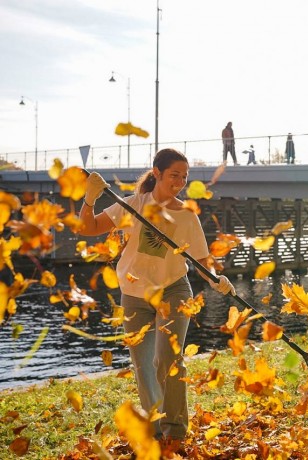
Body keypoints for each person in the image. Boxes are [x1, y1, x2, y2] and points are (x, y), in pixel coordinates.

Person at [78, 148, 235, 447]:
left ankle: (174, 430)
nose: (180, 181)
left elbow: (202, 259)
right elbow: (88, 227)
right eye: (174, 175)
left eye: (185, 177)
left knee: (168, 360)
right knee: (143, 365)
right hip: (135, 294)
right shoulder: (134, 205)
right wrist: (90, 198)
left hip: (173, 290)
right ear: (157, 173)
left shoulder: (187, 215)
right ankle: (153, 427)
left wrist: (218, 280)